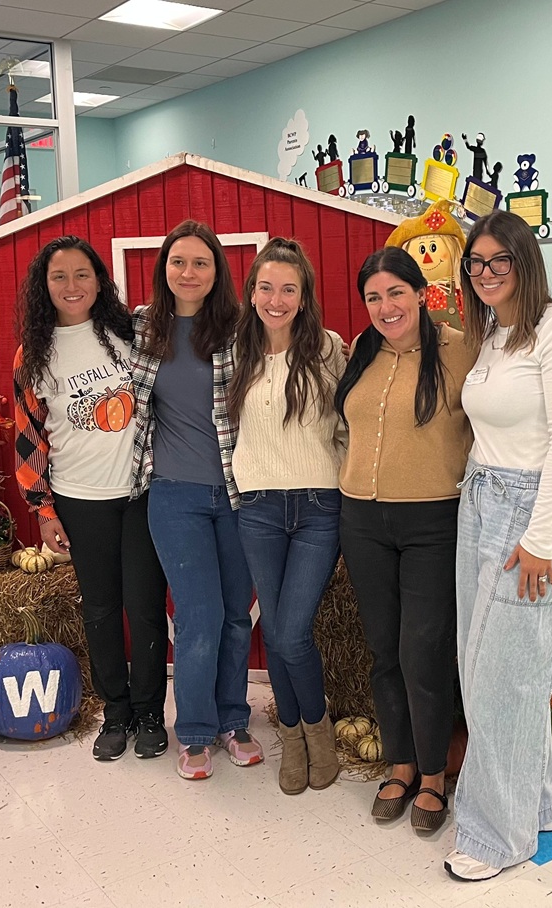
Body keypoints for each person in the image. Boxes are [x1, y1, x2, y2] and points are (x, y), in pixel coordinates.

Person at [445, 210, 552, 882]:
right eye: (473, 264)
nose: (483, 274)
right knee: (498, 670)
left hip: (531, 514)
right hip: (481, 499)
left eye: (496, 261)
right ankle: (534, 804)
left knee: (499, 680)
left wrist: (539, 540)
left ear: (523, 261)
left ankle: (496, 836)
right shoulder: (494, 333)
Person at [335, 246, 476, 832]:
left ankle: (435, 774)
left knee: (424, 652)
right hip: (362, 520)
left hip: (432, 521)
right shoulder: (361, 354)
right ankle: (399, 763)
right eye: (374, 296)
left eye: (396, 292)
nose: (386, 306)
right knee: (384, 649)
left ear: (422, 293)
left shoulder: (462, 351)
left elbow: (512, 404)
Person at [13, 236, 169, 762]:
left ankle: (150, 712)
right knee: (101, 610)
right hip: (80, 498)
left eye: (83, 274)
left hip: (142, 493)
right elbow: (30, 436)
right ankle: (116, 711)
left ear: (100, 280)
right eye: (60, 276)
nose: (72, 285)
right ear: (45, 286)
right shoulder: (33, 355)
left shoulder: (131, 333)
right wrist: (43, 508)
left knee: (146, 609)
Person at [130, 219, 262, 781]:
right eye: (178, 261)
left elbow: (293, 348)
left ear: (217, 271)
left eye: (201, 263)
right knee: (199, 616)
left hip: (237, 492)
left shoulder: (239, 327)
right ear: (164, 268)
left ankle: (235, 721)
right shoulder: (140, 327)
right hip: (174, 494)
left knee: (236, 614)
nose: (189, 272)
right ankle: (197, 732)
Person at [229, 237, 346, 795]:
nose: (276, 299)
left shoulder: (328, 349)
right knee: (276, 634)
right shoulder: (234, 353)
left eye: (289, 289)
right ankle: (295, 739)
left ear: (304, 296)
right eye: (266, 287)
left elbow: (354, 422)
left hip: (321, 505)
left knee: (290, 630)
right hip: (258, 507)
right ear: (252, 292)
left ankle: (316, 733)